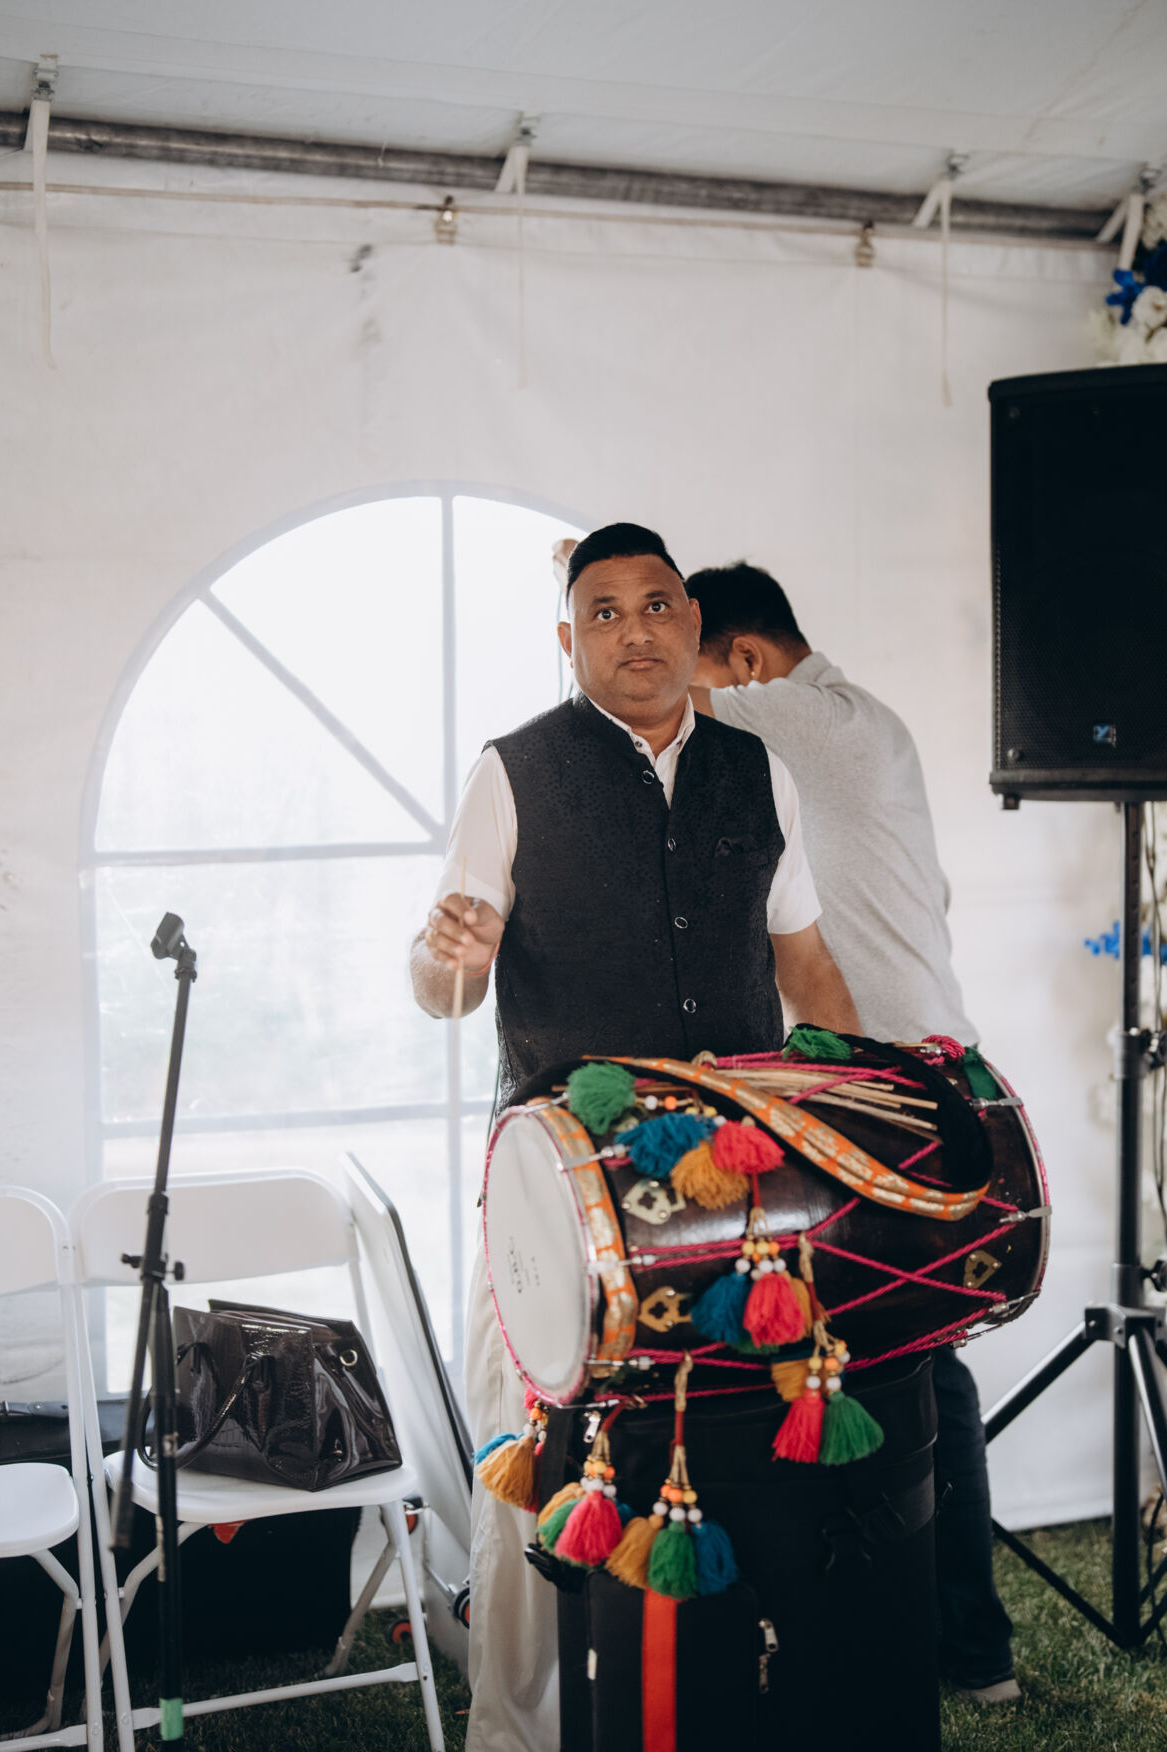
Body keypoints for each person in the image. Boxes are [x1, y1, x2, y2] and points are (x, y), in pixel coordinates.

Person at [411, 523, 862, 1752]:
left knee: (711, 1457)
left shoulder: (756, 770)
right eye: (601, 612)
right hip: (557, 1199)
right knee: (537, 1473)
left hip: (730, 1189)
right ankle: (514, 1734)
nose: (633, 631)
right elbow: (440, 984)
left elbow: (805, 961)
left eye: (655, 604)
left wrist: (853, 1110)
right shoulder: (512, 772)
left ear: (691, 624)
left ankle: (701, 1700)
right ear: (567, 640)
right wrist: (448, 957)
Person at [682, 556, 1019, 1707]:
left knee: (915, 1373)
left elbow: (648, 700)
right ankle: (928, 1637)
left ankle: (964, 1648)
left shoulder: (808, 719)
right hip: (914, 1074)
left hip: (896, 1089)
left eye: (691, 653)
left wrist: (584, 605)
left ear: (743, 659)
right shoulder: (863, 727)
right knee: (899, 1364)